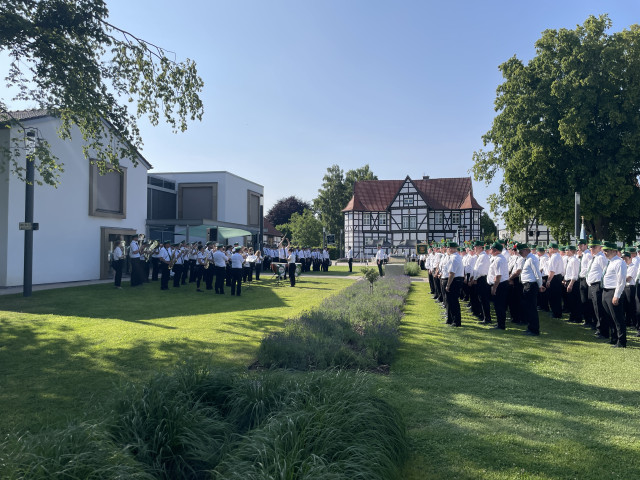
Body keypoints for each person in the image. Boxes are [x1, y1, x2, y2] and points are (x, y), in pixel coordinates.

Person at [601, 242, 627, 347]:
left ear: (614, 251)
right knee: (609, 317)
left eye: (606, 251)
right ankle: (614, 338)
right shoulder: (610, 262)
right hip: (606, 290)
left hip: (613, 291)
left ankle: (621, 341)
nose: (605, 253)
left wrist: (616, 295)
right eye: (604, 251)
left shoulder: (619, 262)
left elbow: (621, 281)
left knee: (617, 318)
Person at [518, 243, 543, 335]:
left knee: (531, 308)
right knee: (528, 308)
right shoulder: (528, 259)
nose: (520, 254)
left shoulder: (532, 259)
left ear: (525, 250)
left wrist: (540, 285)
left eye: (521, 252)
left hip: (531, 285)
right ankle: (530, 327)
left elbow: (537, 274)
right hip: (527, 285)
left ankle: (534, 329)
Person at [487, 241, 509, 330]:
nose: (490, 250)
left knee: (499, 305)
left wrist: (494, 288)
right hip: (499, 284)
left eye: (491, 249)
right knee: (497, 305)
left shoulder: (499, 260)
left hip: (500, 285)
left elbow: (498, 276)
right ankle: (499, 323)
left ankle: (501, 325)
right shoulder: (497, 258)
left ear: (495, 250)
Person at [445, 242, 464, 327]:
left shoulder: (454, 258)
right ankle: (452, 319)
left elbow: (452, 273)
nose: (447, 250)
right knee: (451, 301)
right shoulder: (456, 256)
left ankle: (456, 321)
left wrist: (448, 285)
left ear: (451, 249)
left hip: (455, 280)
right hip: (457, 279)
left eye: (448, 248)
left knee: (453, 301)